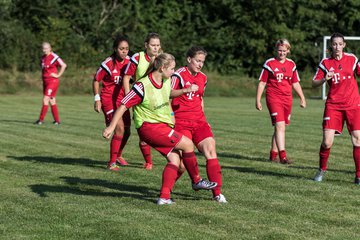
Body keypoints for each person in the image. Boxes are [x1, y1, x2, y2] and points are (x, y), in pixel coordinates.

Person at [103, 53, 217, 205]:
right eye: (171, 68)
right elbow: (124, 105)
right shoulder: (142, 85)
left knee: (175, 160)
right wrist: (111, 127)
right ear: (162, 68)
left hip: (160, 126)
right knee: (188, 144)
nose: (173, 71)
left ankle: (164, 197)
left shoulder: (166, 80)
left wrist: (179, 100)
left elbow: (168, 96)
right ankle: (196, 180)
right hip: (148, 127)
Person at [171, 46, 227, 203]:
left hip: (199, 121)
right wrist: (185, 90)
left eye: (202, 61)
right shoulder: (178, 75)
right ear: (189, 59)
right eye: (197, 61)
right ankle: (166, 190)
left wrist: (204, 118)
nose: (200, 64)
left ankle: (217, 193)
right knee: (182, 164)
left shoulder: (203, 78)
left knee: (211, 149)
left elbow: (200, 99)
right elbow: (168, 94)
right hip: (181, 122)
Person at [312, 32, 360, 184]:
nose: (337, 47)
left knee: (358, 140)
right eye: (334, 44)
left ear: (344, 45)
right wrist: (324, 79)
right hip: (333, 105)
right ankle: (321, 170)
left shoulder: (352, 59)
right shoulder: (326, 63)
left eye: (340, 44)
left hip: (353, 104)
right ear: (330, 46)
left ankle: (358, 175)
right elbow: (314, 83)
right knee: (327, 142)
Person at [256, 39, 306, 164]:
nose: (282, 53)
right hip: (273, 98)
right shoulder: (270, 63)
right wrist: (258, 100)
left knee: (280, 127)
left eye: (284, 51)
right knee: (280, 126)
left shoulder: (291, 64)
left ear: (288, 51)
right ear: (276, 50)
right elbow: (262, 83)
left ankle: (273, 155)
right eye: (279, 50)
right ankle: (283, 157)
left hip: (287, 99)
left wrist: (302, 98)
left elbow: (295, 83)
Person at [122, 32, 162, 170]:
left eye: (158, 45)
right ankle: (148, 161)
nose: (156, 48)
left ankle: (174, 157)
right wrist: (129, 99)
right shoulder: (137, 57)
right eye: (153, 45)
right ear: (146, 45)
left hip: (158, 100)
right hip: (140, 100)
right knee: (143, 132)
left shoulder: (162, 59)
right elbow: (127, 78)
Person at [93, 35, 131, 171]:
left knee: (127, 130)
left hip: (123, 100)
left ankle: (118, 155)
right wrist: (97, 99)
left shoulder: (130, 62)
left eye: (126, 49)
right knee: (119, 128)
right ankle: (111, 163)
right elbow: (96, 80)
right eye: (121, 49)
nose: (124, 51)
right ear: (115, 49)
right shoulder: (108, 63)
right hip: (108, 100)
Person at [35, 42, 67, 125]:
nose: (44, 50)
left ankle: (40, 120)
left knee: (45, 99)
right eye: (43, 48)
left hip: (52, 81)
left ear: (50, 48)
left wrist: (58, 75)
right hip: (45, 82)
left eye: (46, 48)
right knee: (52, 100)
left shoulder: (54, 57)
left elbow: (64, 65)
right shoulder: (43, 58)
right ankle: (57, 121)